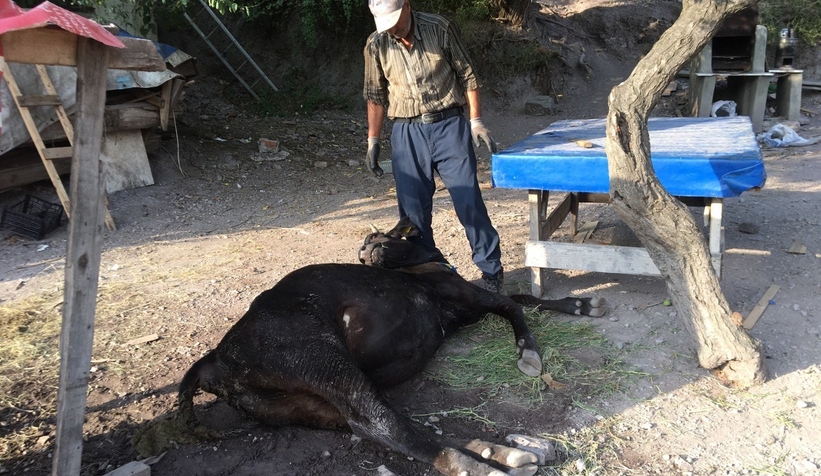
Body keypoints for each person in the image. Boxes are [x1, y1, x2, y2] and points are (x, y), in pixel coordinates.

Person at [362, 0, 505, 292]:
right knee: (412, 216)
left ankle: (492, 274)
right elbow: (375, 94)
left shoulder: (439, 28)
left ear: (407, 7)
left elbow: (468, 76)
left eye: (396, 21)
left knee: (469, 202)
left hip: (448, 125)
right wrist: (373, 140)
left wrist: (475, 121)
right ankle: (428, 275)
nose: (394, 29)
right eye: (386, 24)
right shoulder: (376, 44)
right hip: (406, 132)